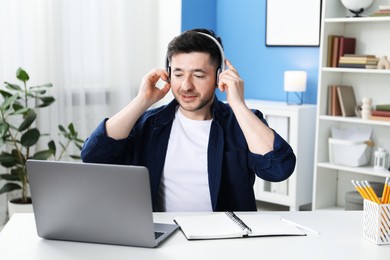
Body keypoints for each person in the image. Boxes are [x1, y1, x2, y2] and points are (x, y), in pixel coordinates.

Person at [81, 28, 296, 212]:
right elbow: (93, 156)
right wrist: (142, 101)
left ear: (219, 76)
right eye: (178, 73)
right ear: (168, 73)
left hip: (225, 241)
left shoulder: (242, 123)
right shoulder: (149, 123)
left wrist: (238, 104)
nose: (186, 86)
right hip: (162, 238)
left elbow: (279, 169)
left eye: (199, 75)